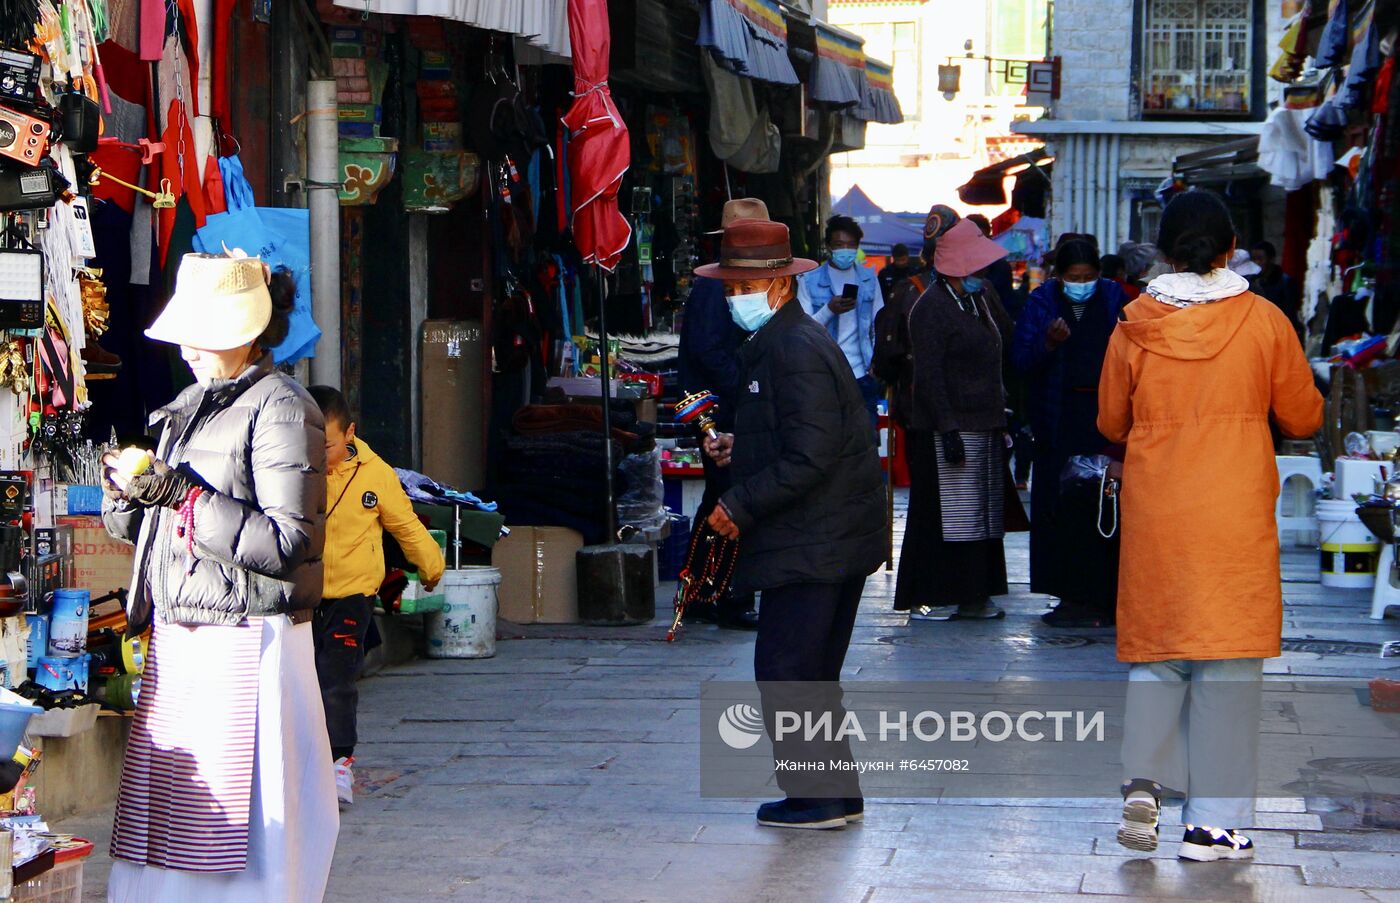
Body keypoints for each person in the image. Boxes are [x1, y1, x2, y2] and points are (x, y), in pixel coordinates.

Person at [101, 250, 338, 901]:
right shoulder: (190, 404)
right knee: (172, 835)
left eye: (201, 333)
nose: (187, 347)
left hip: (249, 644)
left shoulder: (284, 408)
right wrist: (130, 492)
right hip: (188, 641)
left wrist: (178, 494)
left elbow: (291, 541)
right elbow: (142, 532)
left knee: (245, 844)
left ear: (243, 334)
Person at [1100, 191, 1323, 863]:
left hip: (1160, 511)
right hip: (1231, 515)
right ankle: (1212, 826)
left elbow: (1112, 421)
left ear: (1165, 251)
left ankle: (1144, 778)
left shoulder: (1133, 324)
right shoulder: (1265, 322)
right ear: (1231, 251)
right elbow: (1305, 416)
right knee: (1226, 667)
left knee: (1158, 654)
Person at [697, 218, 885, 830]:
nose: (733, 299)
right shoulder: (784, 341)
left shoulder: (793, 347)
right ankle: (832, 793)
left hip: (818, 536)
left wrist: (739, 503)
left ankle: (820, 797)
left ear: (778, 285)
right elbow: (797, 435)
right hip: (825, 534)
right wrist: (739, 445)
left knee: (788, 668)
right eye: (728, 288)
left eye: (741, 288)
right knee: (806, 669)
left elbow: (811, 453)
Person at [307, 385, 446, 804]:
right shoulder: (290, 468)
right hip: (300, 595)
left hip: (352, 595)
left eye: (327, 445)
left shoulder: (377, 474)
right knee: (299, 680)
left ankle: (339, 764)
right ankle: (300, 766)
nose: (319, 453)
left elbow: (405, 525)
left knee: (337, 678)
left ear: (349, 433)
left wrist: (431, 565)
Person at [895, 218, 1015, 622]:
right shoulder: (931, 307)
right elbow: (928, 375)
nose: (983, 274)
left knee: (980, 517)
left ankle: (974, 594)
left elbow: (1005, 342)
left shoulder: (978, 301)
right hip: (946, 426)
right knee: (939, 516)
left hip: (984, 421)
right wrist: (947, 428)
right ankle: (930, 595)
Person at [1012, 239, 1126, 628]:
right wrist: (1049, 342)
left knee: (1104, 504)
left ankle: (1105, 594)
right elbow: (1021, 360)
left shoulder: (1114, 299)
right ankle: (1067, 594)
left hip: (1104, 418)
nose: (1082, 283)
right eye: (1074, 278)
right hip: (1057, 420)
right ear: (1060, 276)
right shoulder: (1041, 302)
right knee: (1058, 507)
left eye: (1089, 276)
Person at [674, 198, 765, 631]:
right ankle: (729, 593)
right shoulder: (716, 285)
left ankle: (702, 590)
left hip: (727, 403)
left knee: (721, 495)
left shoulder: (738, 281)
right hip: (719, 408)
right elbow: (709, 350)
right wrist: (747, 390)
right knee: (731, 494)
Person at [798, 214, 884, 425]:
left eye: (851, 245)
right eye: (839, 244)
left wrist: (877, 360)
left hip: (862, 373)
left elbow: (879, 321)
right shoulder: (808, 280)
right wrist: (829, 309)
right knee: (828, 442)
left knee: (866, 442)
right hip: (824, 374)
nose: (845, 250)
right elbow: (802, 331)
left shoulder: (868, 279)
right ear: (828, 246)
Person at [1250, 240, 1303, 337]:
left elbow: (1290, 314)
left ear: (1271, 259)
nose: (1257, 263)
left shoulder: (1285, 282)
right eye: (1254, 259)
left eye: (1260, 259)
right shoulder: (1251, 282)